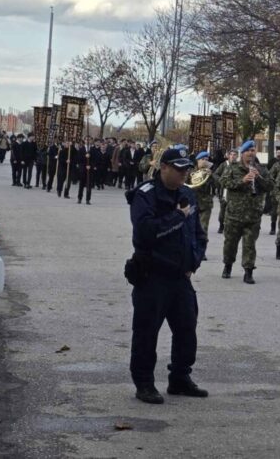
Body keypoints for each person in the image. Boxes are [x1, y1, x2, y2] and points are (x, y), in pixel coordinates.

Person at [125, 147, 208, 404]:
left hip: (180, 275)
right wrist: (176, 217)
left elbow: (198, 233)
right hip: (153, 274)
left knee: (186, 328)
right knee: (146, 332)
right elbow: (145, 233)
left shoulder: (187, 194)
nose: (184, 174)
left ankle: (180, 378)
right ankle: (144, 383)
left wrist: (193, 263)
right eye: (179, 169)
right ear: (163, 168)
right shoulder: (145, 195)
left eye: (187, 169)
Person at [219, 140, 274, 284]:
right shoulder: (233, 168)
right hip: (234, 214)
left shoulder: (261, 169)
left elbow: (270, 186)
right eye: (248, 151)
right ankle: (228, 266)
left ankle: (248, 272)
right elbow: (223, 182)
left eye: (253, 150)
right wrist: (242, 181)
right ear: (242, 153)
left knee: (250, 245)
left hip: (253, 215)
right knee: (230, 243)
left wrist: (259, 178)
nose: (251, 153)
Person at [190, 151, 216, 242]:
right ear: (197, 160)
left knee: (203, 229)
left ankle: (201, 253)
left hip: (205, 204)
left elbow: (219, 184)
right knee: (191, 229)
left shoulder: (210, 172)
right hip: (192, 203)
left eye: (207, 159)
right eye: (202, 159)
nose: (205, 162)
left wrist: (211, 175)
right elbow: (184, 184)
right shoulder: (191, 171)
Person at [213, 149, 238, 234]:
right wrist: (220, 181)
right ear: (228, 156)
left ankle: (232, 226)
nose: (233, 156)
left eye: (235, 155)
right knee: (223, 209)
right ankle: (221, 225)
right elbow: (215, 174)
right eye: (231, 155)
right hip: (224, 190)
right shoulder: (223, 165)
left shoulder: (238, 166)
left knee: (233, 210)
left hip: (234, 190)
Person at [76, 137, 100, 205]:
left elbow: (96, 159)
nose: (88, 141)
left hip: (90, 170)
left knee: (89, 185)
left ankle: (88, 199)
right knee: (81, 185)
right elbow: (79, 159)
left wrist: (91, 166)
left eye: (89, 139)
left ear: (91, 140)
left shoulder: (94, 149)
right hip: (83, 170)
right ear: (84, 140)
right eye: (86, 139)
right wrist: (85, 156)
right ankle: (79, 198)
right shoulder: (81, 149)